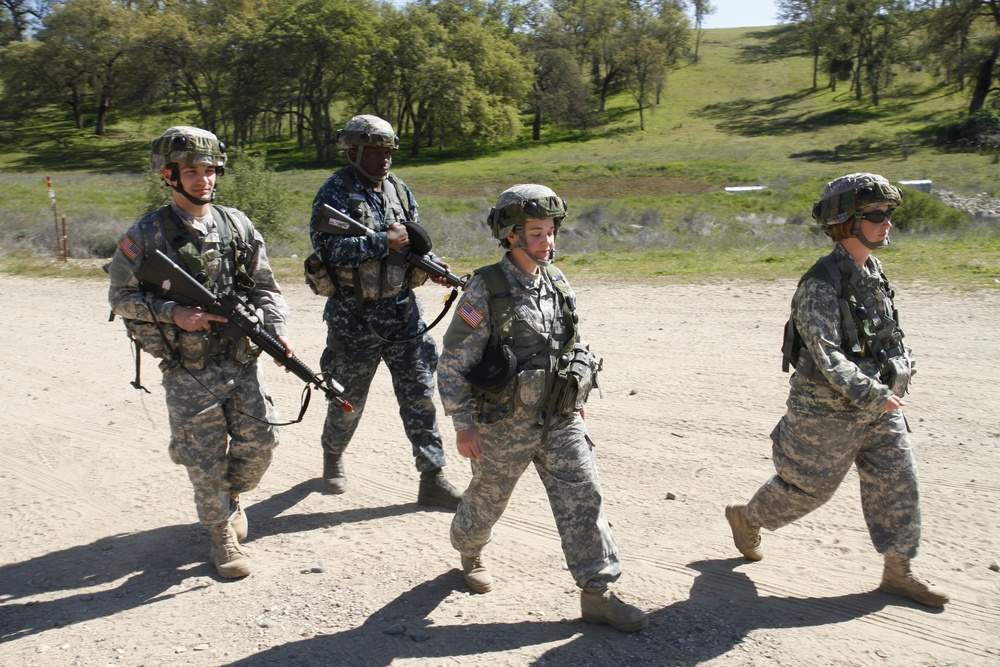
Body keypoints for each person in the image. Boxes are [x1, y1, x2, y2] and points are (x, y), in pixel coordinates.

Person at [724, 172, 949, 608]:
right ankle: (746, 516)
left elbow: (889, 335)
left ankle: (899, 571)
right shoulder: (819, 284)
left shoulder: (872, 269)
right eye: (876, 215)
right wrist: (873, 394)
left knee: (898, 482)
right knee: (807, 491)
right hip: (825, 414)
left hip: (879, 408)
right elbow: (828, 359)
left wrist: (903, 369)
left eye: (889, 214)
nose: (887, 223)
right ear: (846, 221)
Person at [437, 184, 648, 632]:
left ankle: (597, 592)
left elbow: (571, 344)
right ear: (510, 235)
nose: (547, 242)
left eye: (551, 232)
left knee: (584, 495)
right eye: (536, 233)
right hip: (502, 425)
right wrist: (463, 425)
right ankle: (469, 550)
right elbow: (454, 362)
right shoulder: (484, 290)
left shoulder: (557, 282)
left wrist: (579, 397)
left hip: (558, 419)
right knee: (487, 501)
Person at [108, 126, 293, 579]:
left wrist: (278, 330)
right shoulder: (148, 233)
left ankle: (229, 499)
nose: (203, 179)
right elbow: (120, 300)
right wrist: (174, 314)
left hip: (241, 360)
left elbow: (267, 288)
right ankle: (220, 535)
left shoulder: (238, 224)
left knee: (261, 445)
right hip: (190, 369)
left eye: (209, 170)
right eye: (191, 171)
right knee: (205, 456)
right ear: (169, 176)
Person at [308, 114, 461, 509]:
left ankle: (432, 476)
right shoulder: (334, 193)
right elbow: (329, 251)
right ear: (354, 151)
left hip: (401, 312)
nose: (384, 159)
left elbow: (414, 245)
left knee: (420, 394)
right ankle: (333, 455)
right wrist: (381, 241)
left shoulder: (399, 190)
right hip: (353, 317)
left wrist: (435, 267)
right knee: (348, 398)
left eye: (388, 151)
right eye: (375, 151)